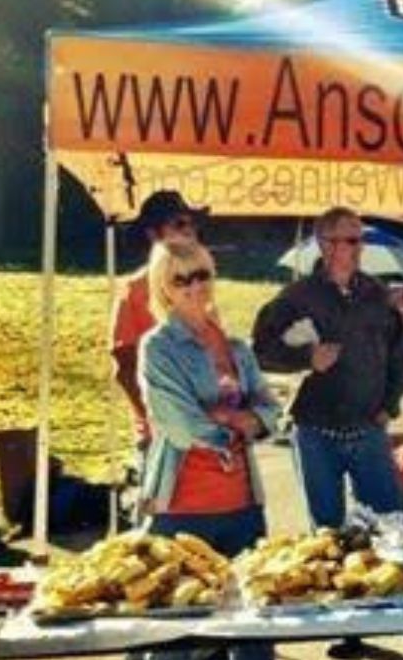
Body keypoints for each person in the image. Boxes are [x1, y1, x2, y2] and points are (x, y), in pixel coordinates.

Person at [253, 207, 403, 659]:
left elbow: (398, 353)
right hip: (315, 431)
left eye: (359, 239)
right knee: (330, 537)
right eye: (348, 240)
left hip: (368, 430)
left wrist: (389, 406)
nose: (356, 247)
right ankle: (347, 633)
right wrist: (306, 359)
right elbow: (262, 351)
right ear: (325, 244)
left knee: (399, 527)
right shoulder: (297, 296)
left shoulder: (376, 295)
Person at [136, 240, 281, 660]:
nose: (195, 286)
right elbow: (179, 426)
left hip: (243, 505)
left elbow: (271, 409)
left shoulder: (236, 347)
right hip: (181, 507)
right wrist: (241, 425)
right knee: (175, 637)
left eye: (202, 274)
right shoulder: (158, 347)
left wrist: (232, 418)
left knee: (252, 626)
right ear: (164, 288)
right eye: (181, 279)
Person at [110, 191, 207, 482]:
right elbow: (124, 367)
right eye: (179, 224)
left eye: (191, 224)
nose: (189, 231)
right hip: (162, 436)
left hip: (203, 430)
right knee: (160, 523)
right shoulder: (135, 289)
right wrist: (155, 422)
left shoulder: (203, 286)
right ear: (154, 234)